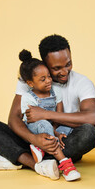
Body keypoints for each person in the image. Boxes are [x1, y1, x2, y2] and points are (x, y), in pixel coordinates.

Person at [0, 34, 95, 180]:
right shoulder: (30, 79)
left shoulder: (82, 82)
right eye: (57, 68)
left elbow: (93, 118)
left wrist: (46, 114)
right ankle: (37, 164)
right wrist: (34, 139)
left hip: (62, 142)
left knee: (89, 133)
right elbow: (14, 119)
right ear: (44, 64)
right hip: (31, 138)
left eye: (68, 64)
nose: (64, 72)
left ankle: (17, 157)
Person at [18, 49, 80, 181]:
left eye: (49, 76)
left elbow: (58, 114)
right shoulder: (27, 97)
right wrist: (53, 133)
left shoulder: (56, 90)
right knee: (44, 124)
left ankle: (41, 148)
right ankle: (65, 164)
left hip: (53, 126)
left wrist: (56, 131)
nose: (48, 81)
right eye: (43, 79)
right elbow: (32, 119)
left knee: (70, 128)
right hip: (35, 128)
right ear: (30, 83)